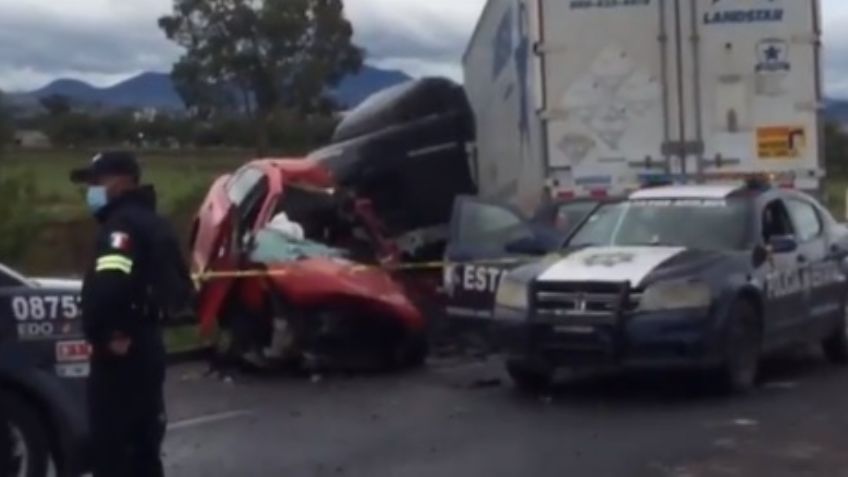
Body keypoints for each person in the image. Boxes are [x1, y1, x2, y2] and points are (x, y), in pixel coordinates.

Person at [70, 151, 190, 477]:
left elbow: (108, 287)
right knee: (144, 450)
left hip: (121, 355)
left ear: (121, 182)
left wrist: (107, 333)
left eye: (96, 182)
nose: (91, 191)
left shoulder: (120, 228)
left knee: (114, 451)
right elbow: (181, 290)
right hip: (148, 346)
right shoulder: (156, 223)